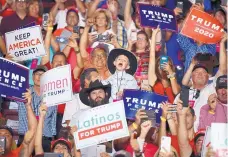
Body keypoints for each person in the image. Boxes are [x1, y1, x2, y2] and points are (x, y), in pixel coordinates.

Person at [177, 34, 227, 131]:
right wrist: (192, 65)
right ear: (191, 76)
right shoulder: (186, 93)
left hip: (207, 133)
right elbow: (184, 83)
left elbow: (223, 69)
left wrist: (221, 43)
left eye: (203, 72)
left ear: (208, 76)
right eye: (196, 72)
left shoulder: (212, 87)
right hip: (188, 133)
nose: (199, 74)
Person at [17, 66, 57, 152]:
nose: (39, 77)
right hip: (26, 136)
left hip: (45, 138)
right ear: (32, 76)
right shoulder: (24, 92)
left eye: (43, 75)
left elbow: (53, 122)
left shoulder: (52, 96)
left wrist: (52, 137)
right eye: (37, 74)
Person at [0, 89, 37, 157]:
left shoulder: (18, 154)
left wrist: (28, 105)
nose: (3, 137)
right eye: (0, 135)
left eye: (7, 135)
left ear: (12, 141)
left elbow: (33, 130)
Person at [148, 27, 181, 103]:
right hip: (158, 113)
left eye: (166, 64)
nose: (163, 66)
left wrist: (170, 72)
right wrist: (154, 35)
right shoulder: (153, 80)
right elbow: (152, 57)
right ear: (156, 68)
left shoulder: (175, 84)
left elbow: (176, 92)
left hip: (172, 113)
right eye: (160, 64)